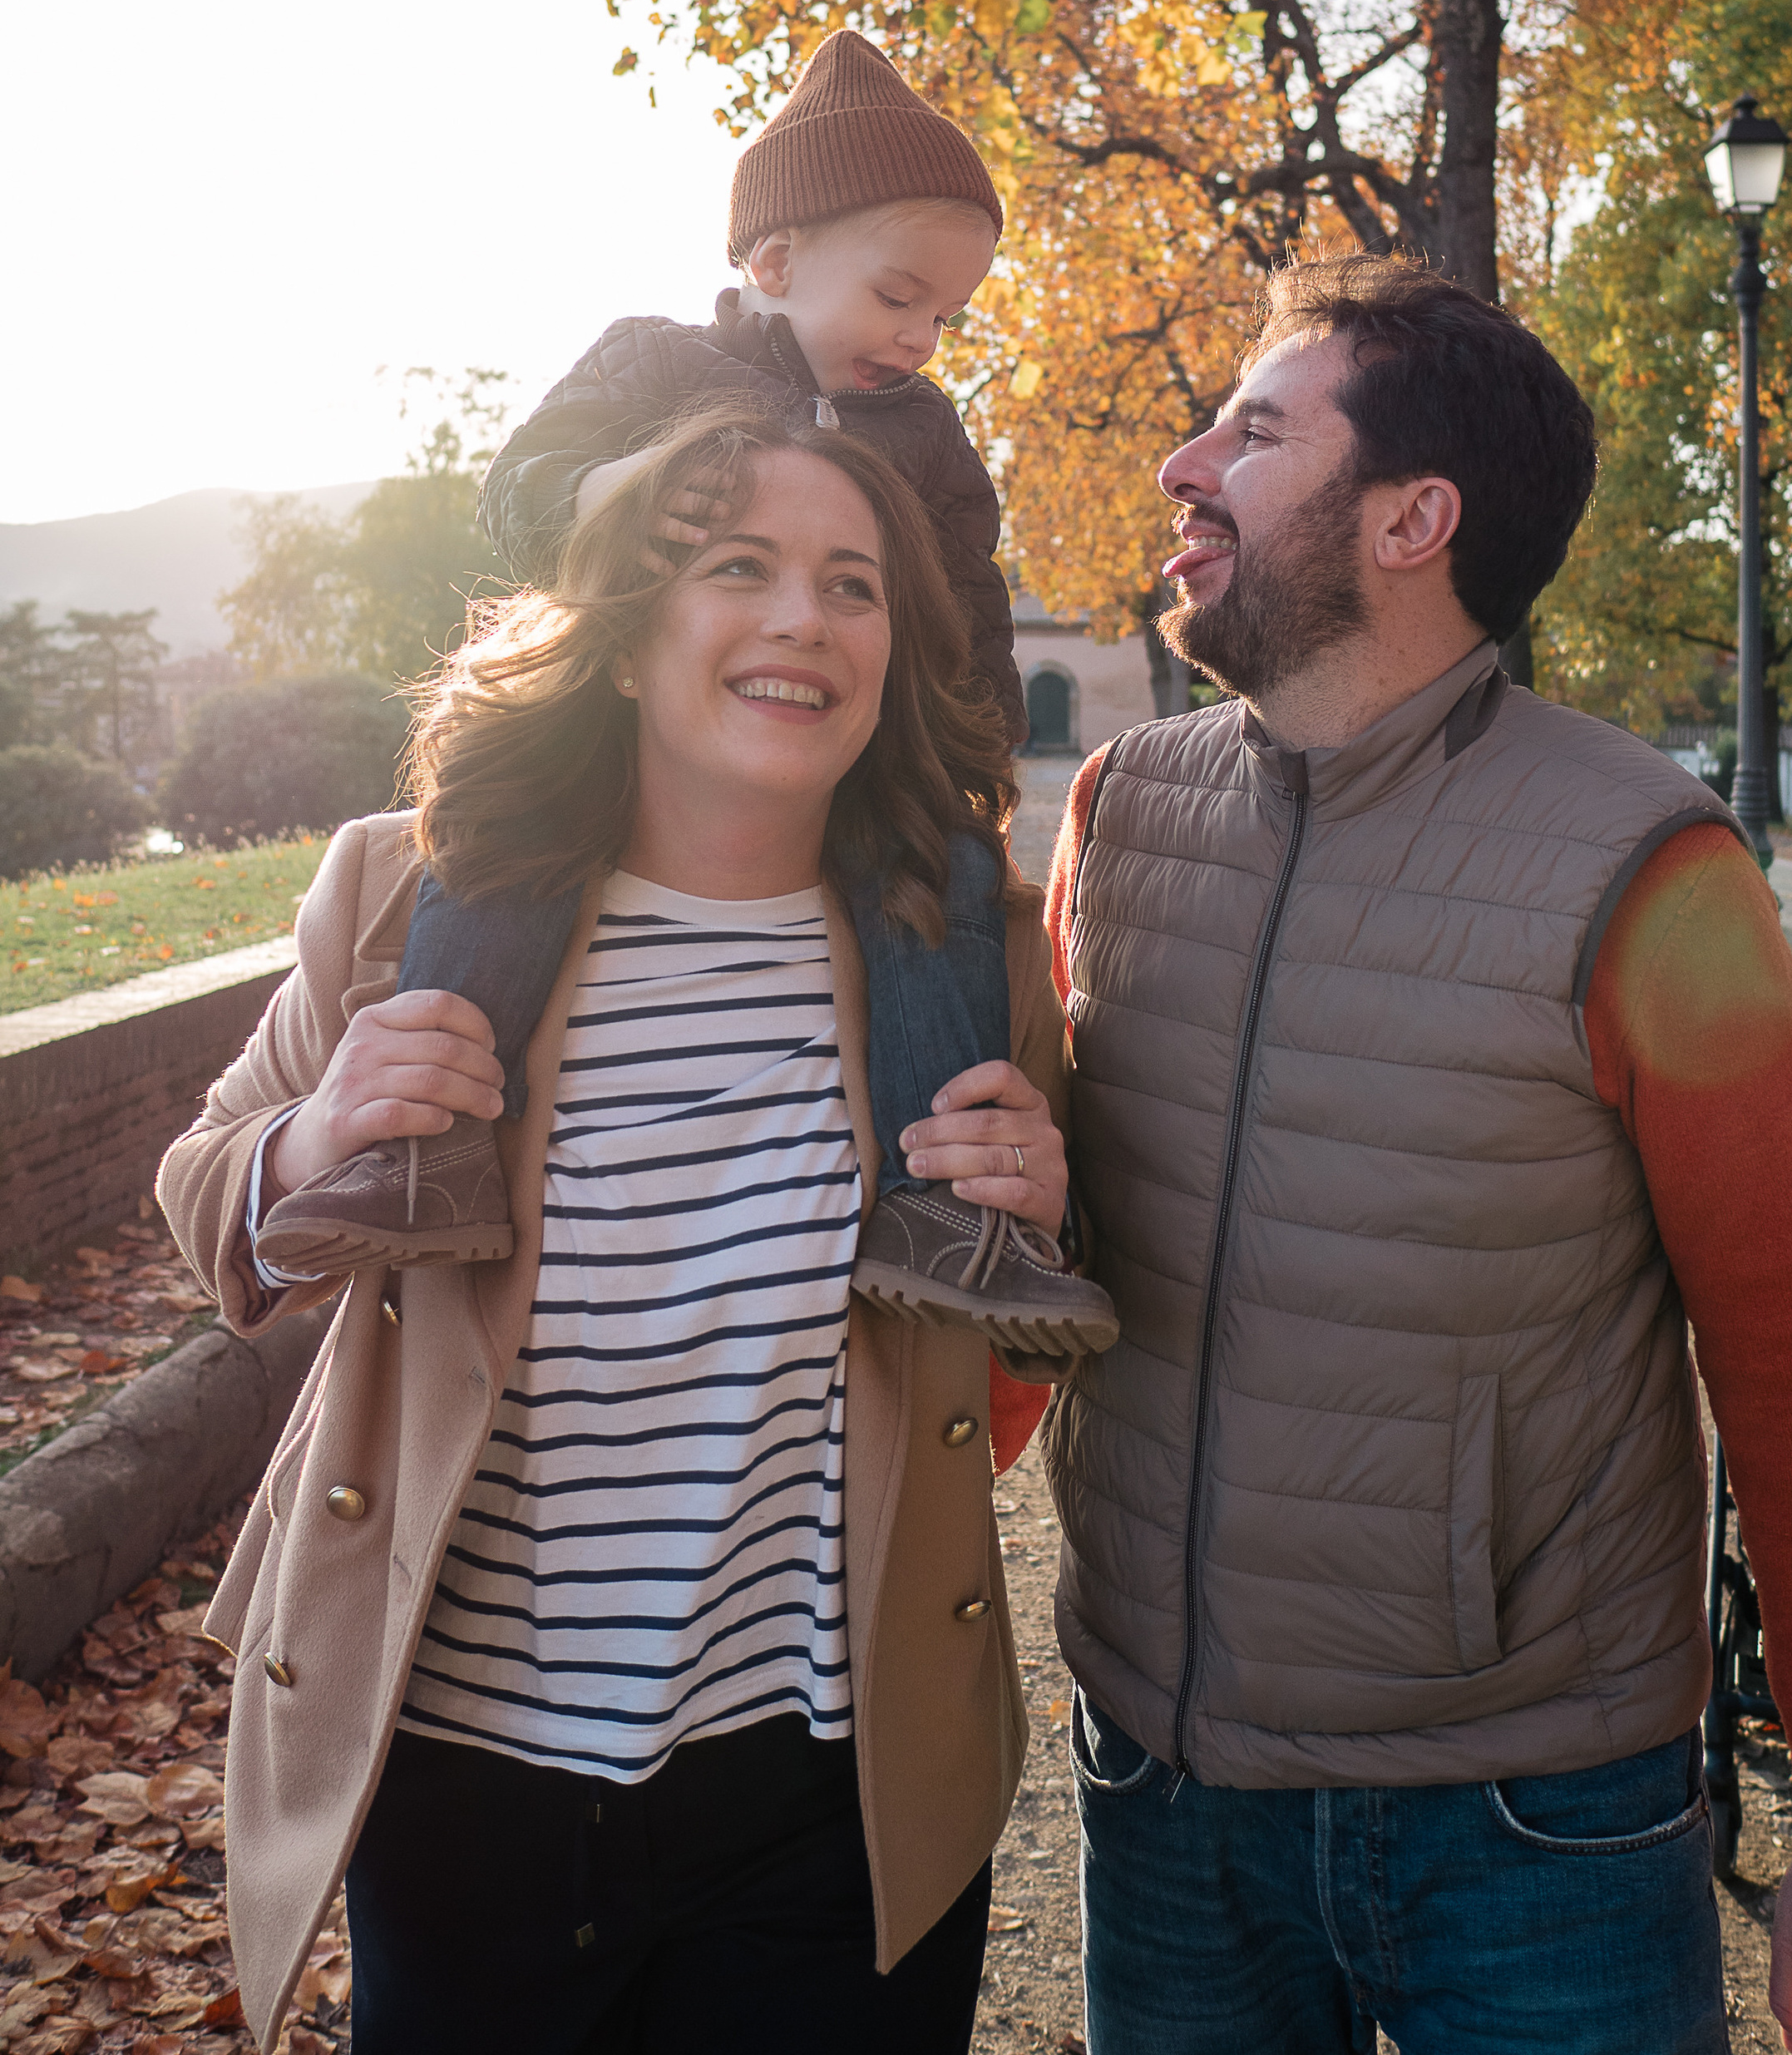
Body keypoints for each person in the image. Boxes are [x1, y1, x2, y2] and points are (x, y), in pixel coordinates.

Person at [1041, 256, 1792, 2055]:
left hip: (1536, 1824)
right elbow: (1064, 1258)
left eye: (1253, 431)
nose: (1182, 465)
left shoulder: (1648, 865)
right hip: (1159, 1785)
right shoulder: (1119, 808)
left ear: (1413, 518)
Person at [158, 403, 1099, 2055]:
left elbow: (1040, 1324)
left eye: (854, 583)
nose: (806, 616)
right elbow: (208, 1194)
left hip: (833, 1789)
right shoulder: (409, 897)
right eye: (738, 565)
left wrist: (1042, 1203)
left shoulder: (968, 955)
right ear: (617, 630)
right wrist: (314, 1132)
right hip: (465, 1781)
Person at [252, 31, 1116, 1363]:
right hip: (599, 750)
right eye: (899, 296)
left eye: (947, 317)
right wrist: (612, 492)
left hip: (875, 772)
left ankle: (944, 1207)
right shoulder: (652, 370)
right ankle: (427, 1146)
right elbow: (519, 487)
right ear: (773, 262)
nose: (920, 337)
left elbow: (968, 598)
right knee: (511, 836)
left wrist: (978, 750)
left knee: (933, 879)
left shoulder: (926, 435)